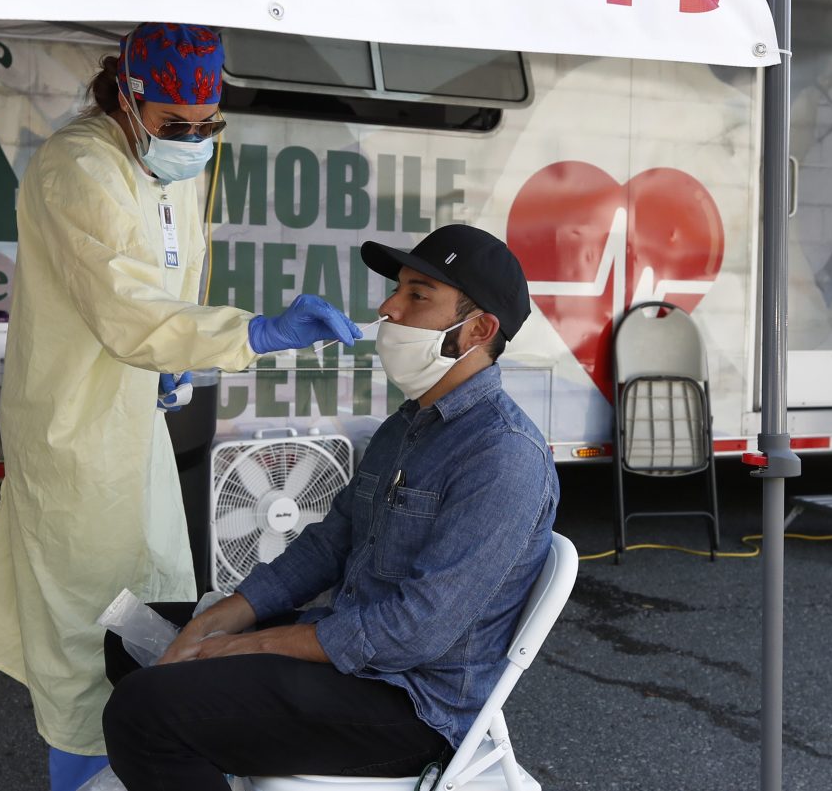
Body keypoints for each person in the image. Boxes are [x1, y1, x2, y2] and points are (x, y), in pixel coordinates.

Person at [0, 22, 364, 791]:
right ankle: (82, 776)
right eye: (174, 124)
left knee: (148, 615)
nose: (191, 139)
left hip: (139, 428)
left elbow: (174, 287)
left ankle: (143, 760)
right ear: (126, 94)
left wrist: (175, 363)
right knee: (86, 637)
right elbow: (125, 305)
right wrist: (254, 331)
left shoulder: (176, 170)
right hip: (78, 434)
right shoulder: (77, 168)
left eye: (204, 123)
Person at [99, 224, 559, 791]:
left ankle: (198, 731)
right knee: (130, 640)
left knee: (144, 713)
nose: (389, 307)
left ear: (478, 330)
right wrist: (232, 612)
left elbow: (413, 633)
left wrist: (245, 645)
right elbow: (330, 542)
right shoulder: (408, 425)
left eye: (417, 296)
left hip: (410, 704)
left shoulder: (503, 456)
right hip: (351, 648)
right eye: (397, 289)